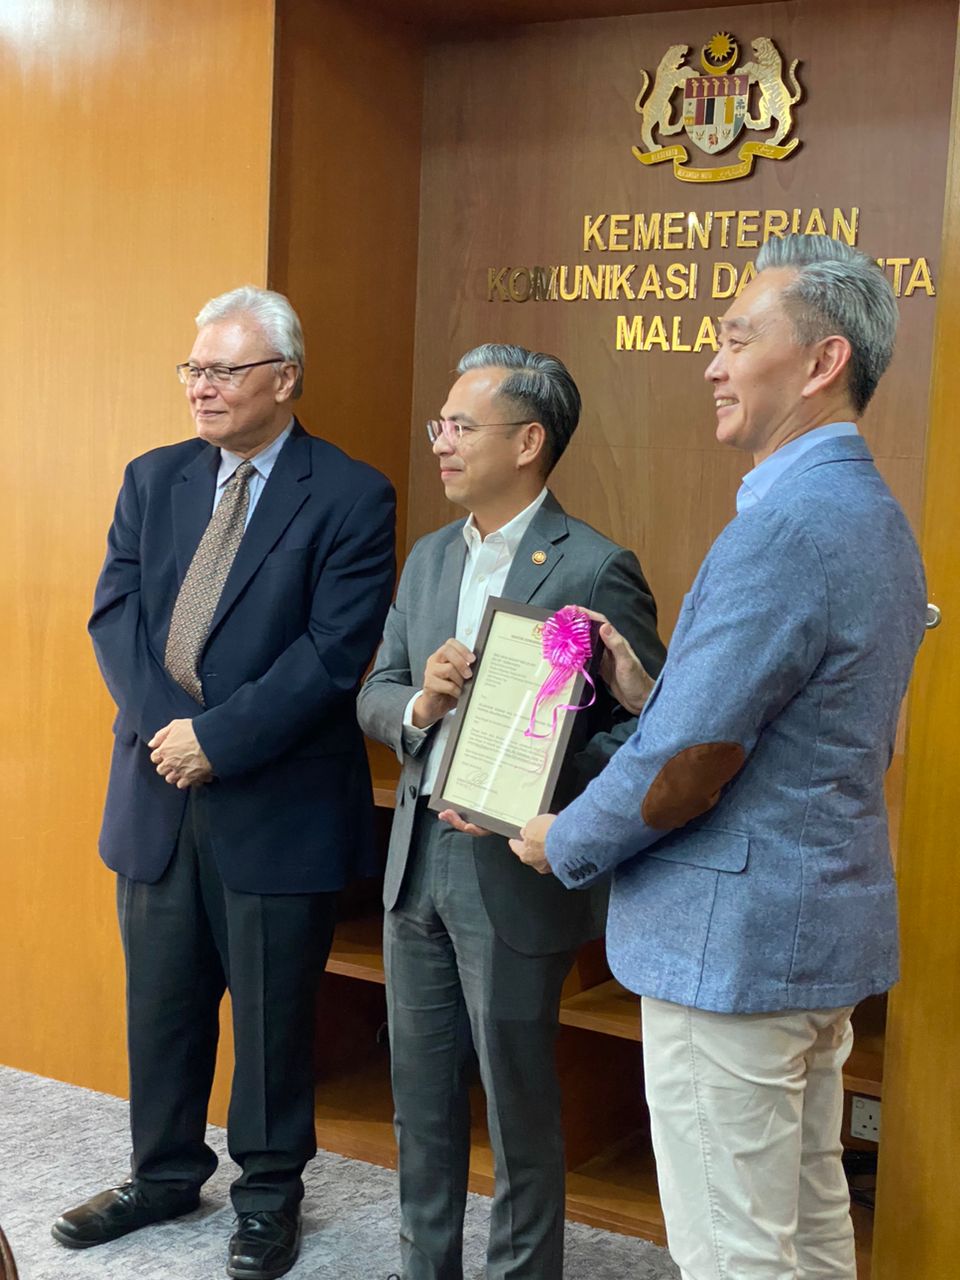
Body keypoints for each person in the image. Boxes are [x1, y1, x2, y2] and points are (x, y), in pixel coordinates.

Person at [510, 234, 927, 1280]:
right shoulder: (870, 514)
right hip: (810, 930)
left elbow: (693, 767)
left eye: (738, 336)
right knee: (811, 1229)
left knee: (737, 1252)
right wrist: (654, 695)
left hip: (729, 954)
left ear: (823, 361)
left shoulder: (785, 526)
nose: (713, 361)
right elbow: (786, 722)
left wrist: (565, 835)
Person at [52, 287, 396, 1280]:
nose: (200, 386)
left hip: (274, 797)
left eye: (223, 370)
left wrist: (219, 739)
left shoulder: (349, 492)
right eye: (192, 369)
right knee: (159, 1002)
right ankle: (161, 1173)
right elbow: (114, 614)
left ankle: (267, 1195)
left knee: (273, 1017)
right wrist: (175, 734)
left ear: (283, 380)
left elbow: (334, 654)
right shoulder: (153, 478)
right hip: (158, 791)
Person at [357, 344, 665, 1280]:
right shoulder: (429, 556)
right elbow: (375, 687)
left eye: (460, 426)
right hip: (417, 865)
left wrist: (546, 793)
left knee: (519, 1100)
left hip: (513, 869)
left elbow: (645, 730)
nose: (441, 443)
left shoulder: (595, 567)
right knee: (421, 1097)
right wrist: (421, 706)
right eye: (439, 426)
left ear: (529, 441)